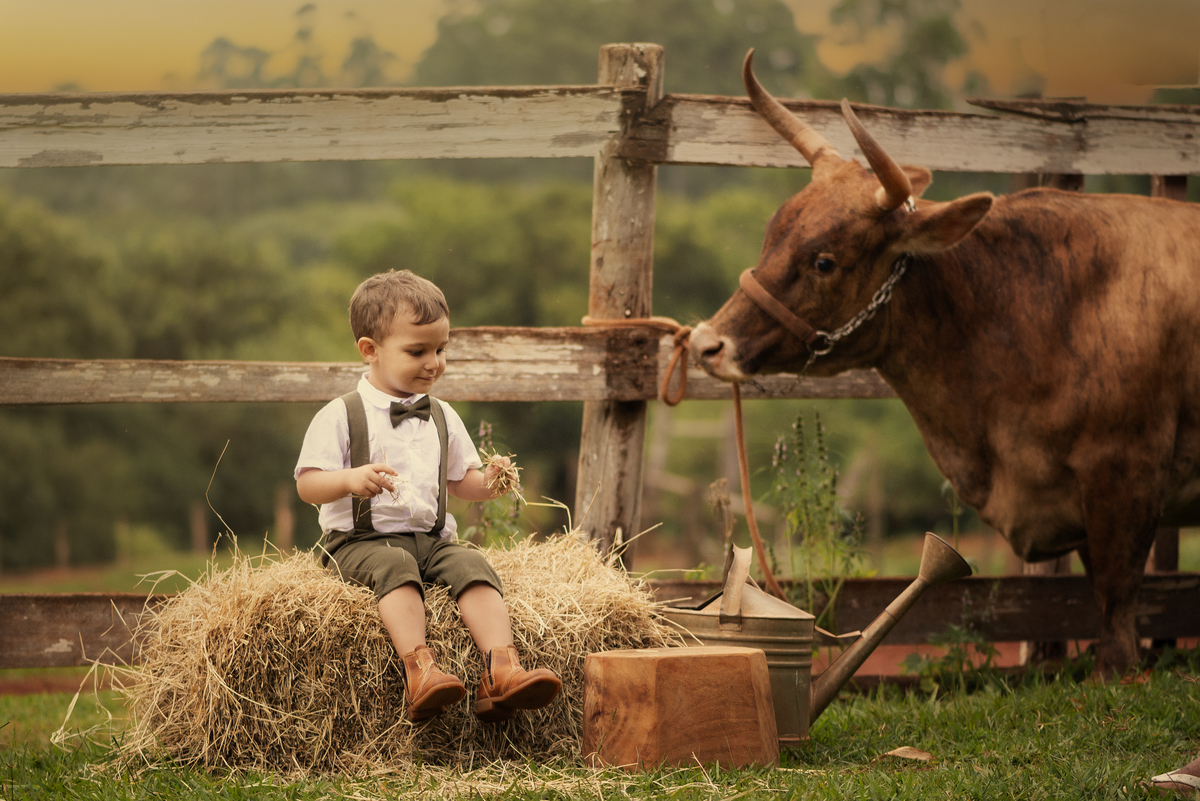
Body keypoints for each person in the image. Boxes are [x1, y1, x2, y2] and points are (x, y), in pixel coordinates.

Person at [294, 269, 561, 723]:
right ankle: (420, 671)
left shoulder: (443, 415)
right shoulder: (341, 414)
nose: (433, 363)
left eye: (441, 350)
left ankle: (502, 668)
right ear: (370, 351)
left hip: (432, 541)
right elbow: (306, 484)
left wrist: (492, 483)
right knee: (395, 566)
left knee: (474, 564)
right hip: (358, 544)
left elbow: (462, 483)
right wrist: (349, 479)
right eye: (417, 351)